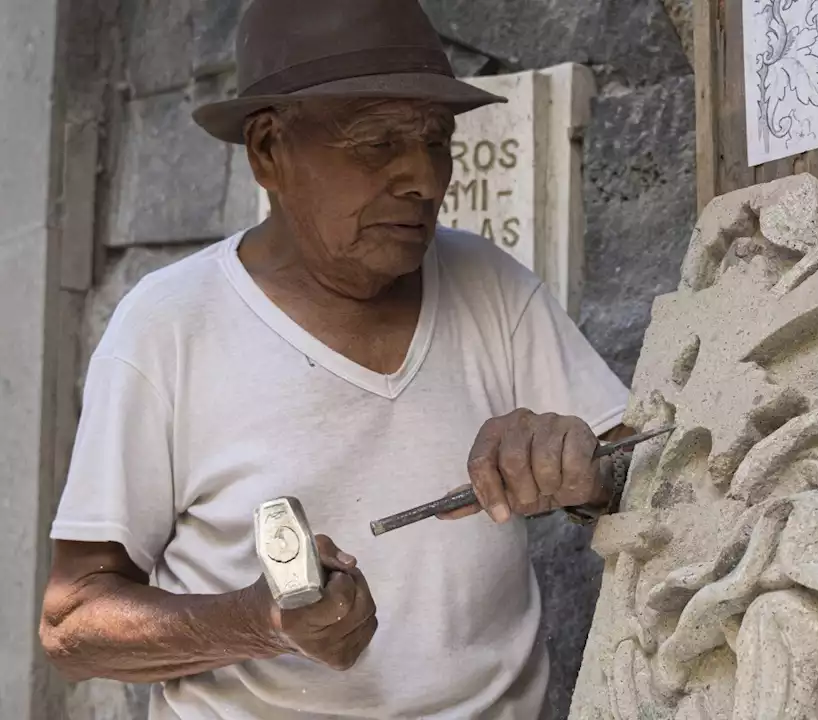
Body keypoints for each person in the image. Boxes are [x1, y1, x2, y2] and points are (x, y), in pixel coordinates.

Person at [37, 1, 633, 717]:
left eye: (436, 140)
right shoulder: (167, 328)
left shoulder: (492, 285)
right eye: (377, 143)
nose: (423, 177)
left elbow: (645, 469)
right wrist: (258, 622)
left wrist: (583, 471)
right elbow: (72, 627)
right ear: (267, 151)